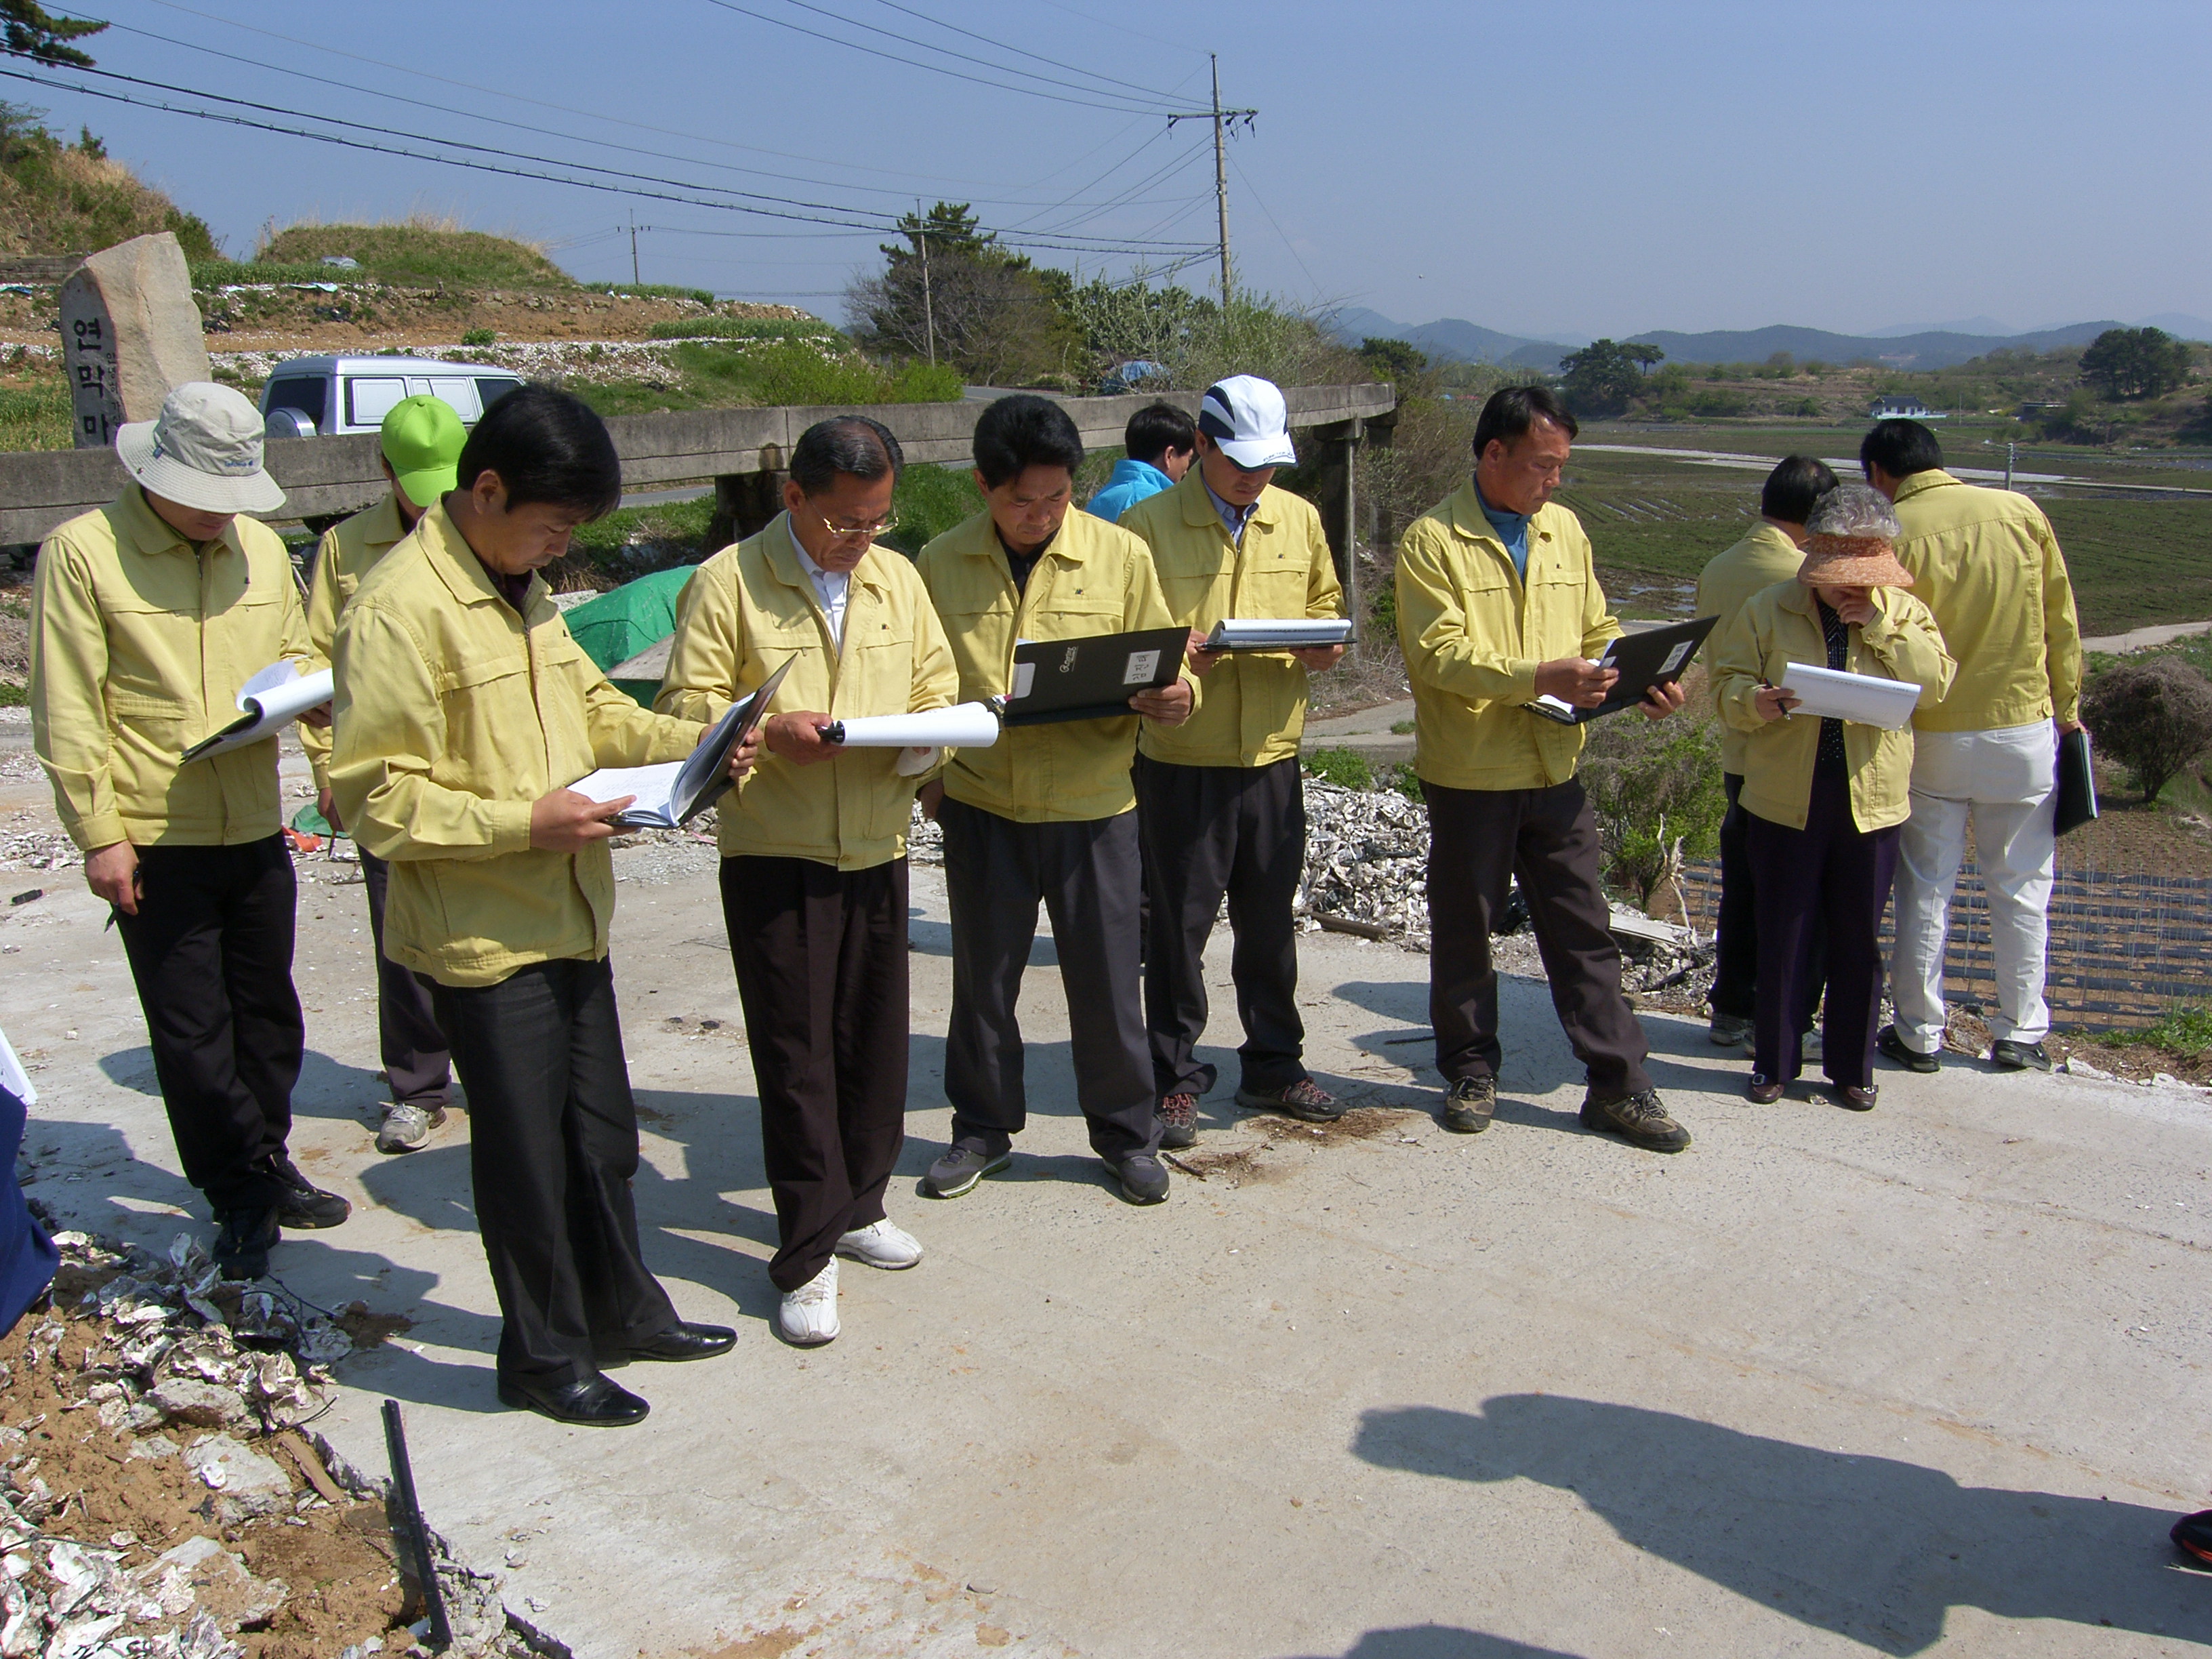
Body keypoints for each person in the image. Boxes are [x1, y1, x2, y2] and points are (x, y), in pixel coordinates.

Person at [330, 386, 756, 1427]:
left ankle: (623, 1310)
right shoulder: (398, 609)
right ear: (486, 489)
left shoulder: (516, 586)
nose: (562, 548)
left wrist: (695, 745)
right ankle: (542, 1355)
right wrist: (527, 823)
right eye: (555, 525)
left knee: (601, 1137)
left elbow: (593, 705)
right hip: (485, 933)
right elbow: (374, 798)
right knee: (525, 1160)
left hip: (568, 914)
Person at [29, 382, 350, 1280]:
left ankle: (269, 1158)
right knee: (193, 1032)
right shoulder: (84, 556)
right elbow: (68, 710)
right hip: (153, 831)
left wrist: (330, 778)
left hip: (250, 822)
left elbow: (304, 670)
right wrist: (100, 835)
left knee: (267, 1014)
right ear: (156, 476)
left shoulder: (256, 547)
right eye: (205, 500)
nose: (221, 518)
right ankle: (236, 1196)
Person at [657, 416, 958, 1348]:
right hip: (774, 849)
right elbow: (684, 707)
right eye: (844, 522)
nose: (861, 539)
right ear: (794, 498)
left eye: (875, 521)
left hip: (875, 841)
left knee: (875, 1045)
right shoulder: (729, 581)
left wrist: (926, 737)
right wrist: (768, 731)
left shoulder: (897, 580)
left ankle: (861, 1206)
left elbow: (938, 685)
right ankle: (805, 1252)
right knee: (796, 1056)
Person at [1394, 386, 1693, 1151]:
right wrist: (1538, 678)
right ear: (1493, 454)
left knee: (1582, 928)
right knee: (1467, 926)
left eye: (1562, 466)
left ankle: (1621, 1086)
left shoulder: (1564, 530)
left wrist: (1635, 677)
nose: (1553, 482)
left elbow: (1599, 626)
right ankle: (1469, 1068)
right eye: (1542, 466)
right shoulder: (1433, 541)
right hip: (1471, 770)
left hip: (1557, 765)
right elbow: (1440, 655)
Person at [914, 394, 1194, 1205]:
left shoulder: (1121, 555)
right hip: (981, 805)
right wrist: (931, 783)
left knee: (1108, 985)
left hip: (1095, 804)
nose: (1040, 516)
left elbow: (1167, 665)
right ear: (982, 486)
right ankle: (981, 1129)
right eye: (1020, 500)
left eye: (1057, 497)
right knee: (984, 980)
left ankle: (1126, 1136)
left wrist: (1177, 699)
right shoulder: (939, 560)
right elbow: (917, 683)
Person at [1122, 375, 1345, 1147]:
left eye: (1269, 465)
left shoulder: (1300, 520)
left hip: (1273, 754)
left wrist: (1324, 642)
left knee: (1268, 922)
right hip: (1184, 759)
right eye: (1240, 462)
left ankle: (1275, 1065)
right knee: (1179, 930)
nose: (1256, 479)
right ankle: (1173, 1078)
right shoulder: (1148, 525)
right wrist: (1169, 655)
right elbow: (1129, 640)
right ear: (1204, 445)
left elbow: (1326, 613)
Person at [1712, 483, 1954, 1109]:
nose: (1852, 588)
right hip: (1783, 797)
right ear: (1813, 565)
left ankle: (1853, 1067)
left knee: (1856, 939)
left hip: (1870, 801)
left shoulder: (1902, 612)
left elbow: (1935, 685)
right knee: (1783, 932)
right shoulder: (1768, 609)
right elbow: (1726, 685)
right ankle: (1774, 1062)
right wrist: (1754, 702)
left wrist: (1878, 628)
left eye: (1864, 577)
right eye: (1839, 576)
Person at [1862, 419, 2083, 1074]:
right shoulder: (2020, 512)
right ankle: (2020, 1031)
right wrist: (2067, 710)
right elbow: (2061, 622)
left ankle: (1919, 1033)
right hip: (2022, 731)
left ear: (1878, 473)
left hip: (1930, 734)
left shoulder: (1891, 533)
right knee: (2020, 887)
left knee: (1926, 888)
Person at [301, 394, 466, 1155]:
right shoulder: (344, 549)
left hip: (475, 763)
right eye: (418, 485)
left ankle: (500, 1070)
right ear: (384, 472)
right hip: (390, 768)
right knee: (401, 931)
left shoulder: (482, 532)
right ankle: (417, 1085)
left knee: (489, 924)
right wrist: (328, 771)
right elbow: (314, 669)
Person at [1694, 455, 1839, 1052]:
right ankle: (1780, 1019)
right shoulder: (1806, 576)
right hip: (1792, 753)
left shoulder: (1718, 566)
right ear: (1819, 517)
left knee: (1744, 886)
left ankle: (1731, 1007)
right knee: (1798, 895)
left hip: (1737, 747)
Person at [1087, 400, 1197, 523]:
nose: (1186, 471)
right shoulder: (1158, 505)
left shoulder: (1099, 500)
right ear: (1169, 455)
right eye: (1189, 458)